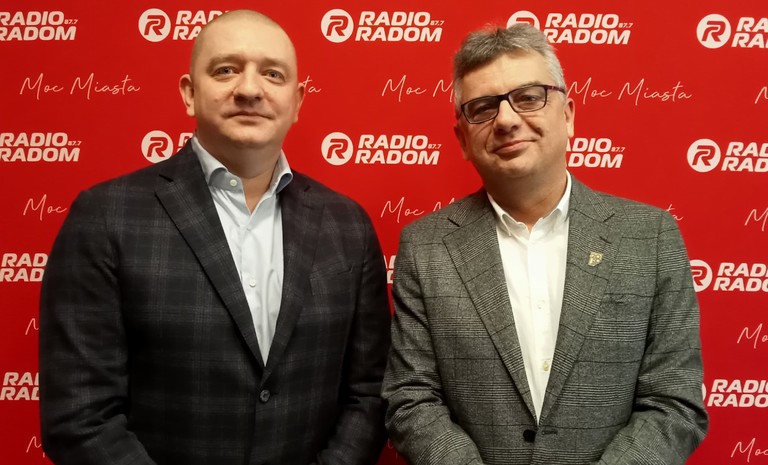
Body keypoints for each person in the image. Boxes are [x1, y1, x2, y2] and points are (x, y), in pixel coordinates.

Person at [39, 10, 390, 465]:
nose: (249, 89)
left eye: (273, 74)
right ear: (190, 93)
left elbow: (369, 392)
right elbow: (80, 415)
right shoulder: (106, 216)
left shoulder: (348, 225)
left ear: (297, 100)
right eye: (226, 70)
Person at [382, 23, 707, 465]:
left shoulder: (650, 236)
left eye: (529, 97)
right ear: (462, 139)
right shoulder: (426, 247)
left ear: (568, 115)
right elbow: (411, 398)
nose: (507, 120)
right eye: (483, 108)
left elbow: (674, 402)